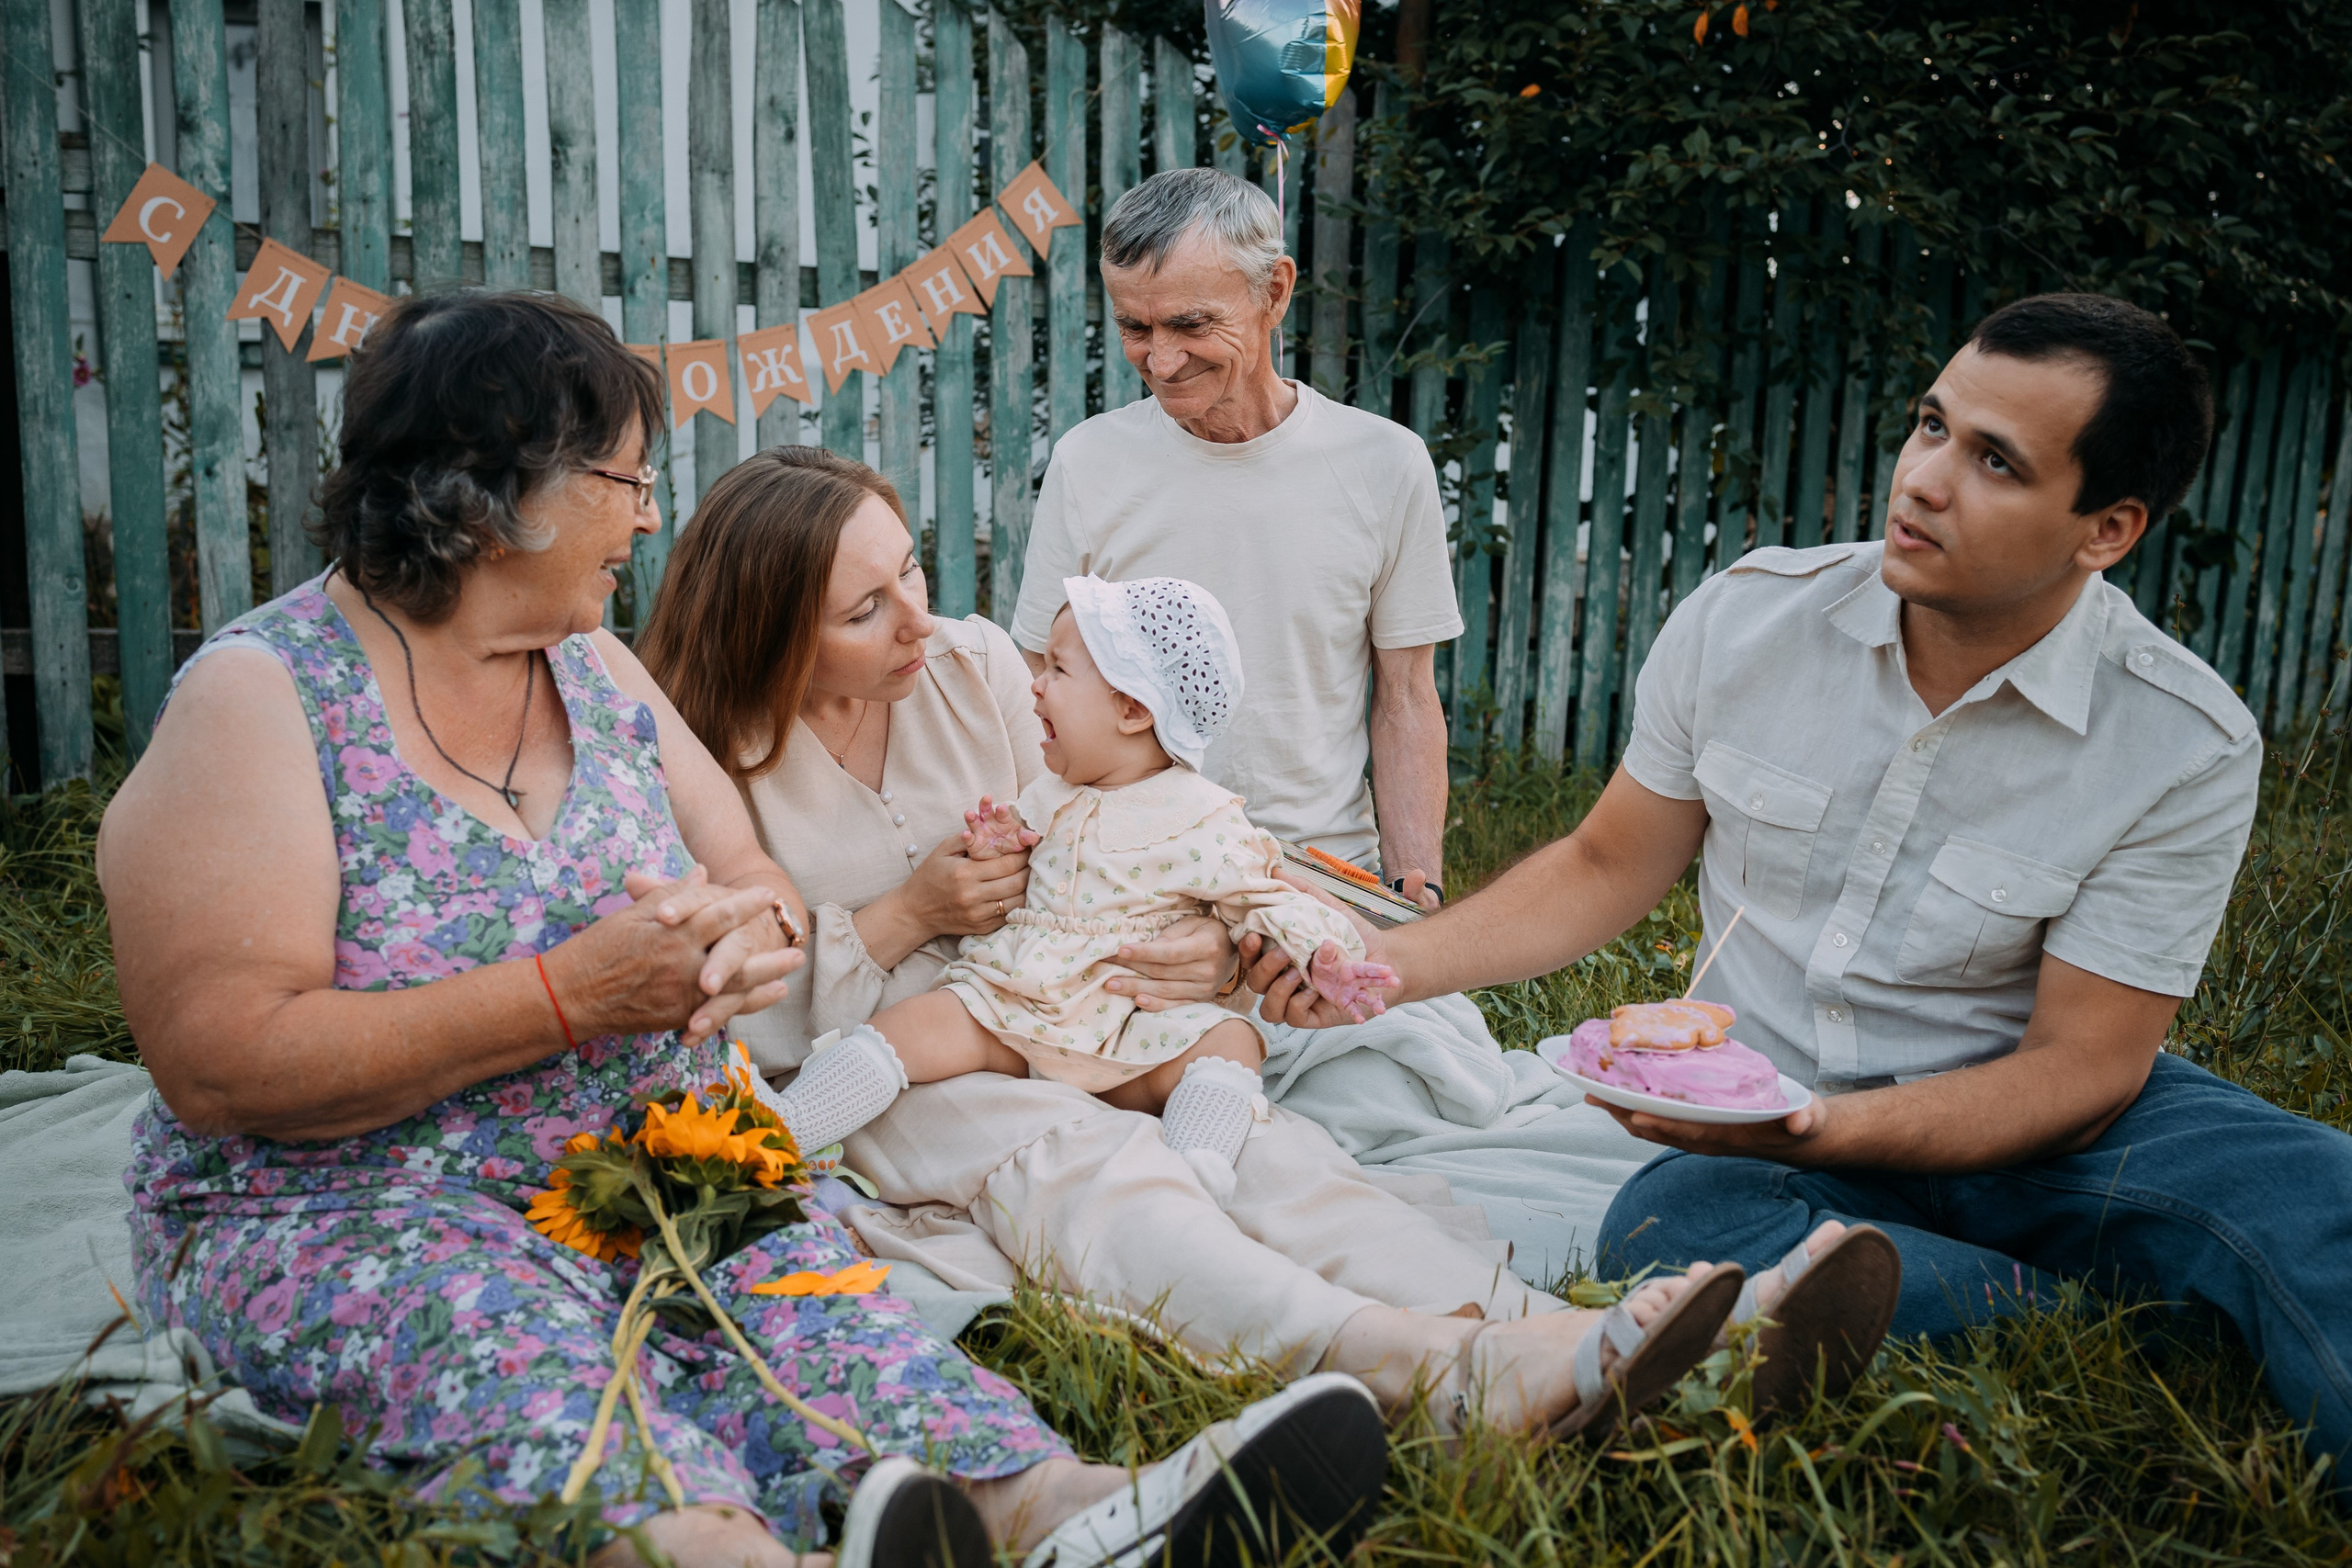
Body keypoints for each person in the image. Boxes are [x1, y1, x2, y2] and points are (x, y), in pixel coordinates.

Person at [96, 288, 1394, 1568]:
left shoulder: (590, 667)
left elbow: (749, 875)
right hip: (363, 1197)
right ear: (493, 495)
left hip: (650, 1154)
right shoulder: (263, 700)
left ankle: (1071, 1513)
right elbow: (219, 1060)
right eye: (624, 477)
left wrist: (746, 934)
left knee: (820, 1314)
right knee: (513, 1353)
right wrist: (566, 997)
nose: (652, 512)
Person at [1255, 292, 2352, 1478]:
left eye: (1994, 460)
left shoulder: (2181, 736)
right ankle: (2109, 1323)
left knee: (2316, 1190)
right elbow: (1605, 861)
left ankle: (2019, 1286)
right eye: (1931, 425)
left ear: (2107, 527)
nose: (1924, 478)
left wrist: (1844, 1123)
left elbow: (2085, 1066)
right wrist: (1380, 963)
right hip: (1771, 1128)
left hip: (2040, 1112)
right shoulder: (1749, 619)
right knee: (1676, 1225)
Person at [639, 446, 1830, 1446]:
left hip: (1062, 1000)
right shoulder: (700, 761)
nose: (920, 616)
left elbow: (1110, 836)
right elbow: (733, 1001)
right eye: (865, 610)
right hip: (884, 1065)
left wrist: (1206, 953)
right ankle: (1426, 1364)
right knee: (1088, 1159)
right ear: (771, 636)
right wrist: (908, 912)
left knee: (1268, 1149)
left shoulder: (972, 668)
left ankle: (1581, 1328)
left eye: (909, 568)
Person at [1011, 163, 1656, 1278]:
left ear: (1276, 293)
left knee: (1414, 1110)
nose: (1159, 360)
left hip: (1318, 886)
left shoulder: (1381, 465)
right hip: (1140, 883)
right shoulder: (1092, 464)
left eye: (1190, 325)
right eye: (1133, 328)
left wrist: (1411, 895)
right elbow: (1035, 692)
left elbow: (1406, 704)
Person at [761, 575, 1395, 1204]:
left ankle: (1193, 1177)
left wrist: (1324, 957)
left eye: (1059, 670)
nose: (1034, 683)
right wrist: (997, 841)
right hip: (1019, 1001)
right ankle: (784, 1129)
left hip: (1137, 1024)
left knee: (1228, 1044)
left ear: (1132, 709)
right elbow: (1021, 858)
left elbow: (1268, 899)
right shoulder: (1047, 792)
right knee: (914, 1022)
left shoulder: (1205, 817)